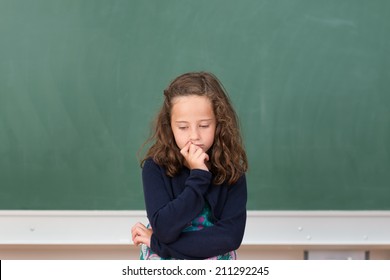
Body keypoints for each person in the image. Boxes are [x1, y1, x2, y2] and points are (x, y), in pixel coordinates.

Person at [131, 71, 248, 260]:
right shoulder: (155, 167)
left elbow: (229, 238)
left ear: (219, 124)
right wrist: (199, 176)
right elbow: (165, 229)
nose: (194, 136)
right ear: (170, 127)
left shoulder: (232, 171)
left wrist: (158, 244)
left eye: (204, 125)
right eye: (183, 127)